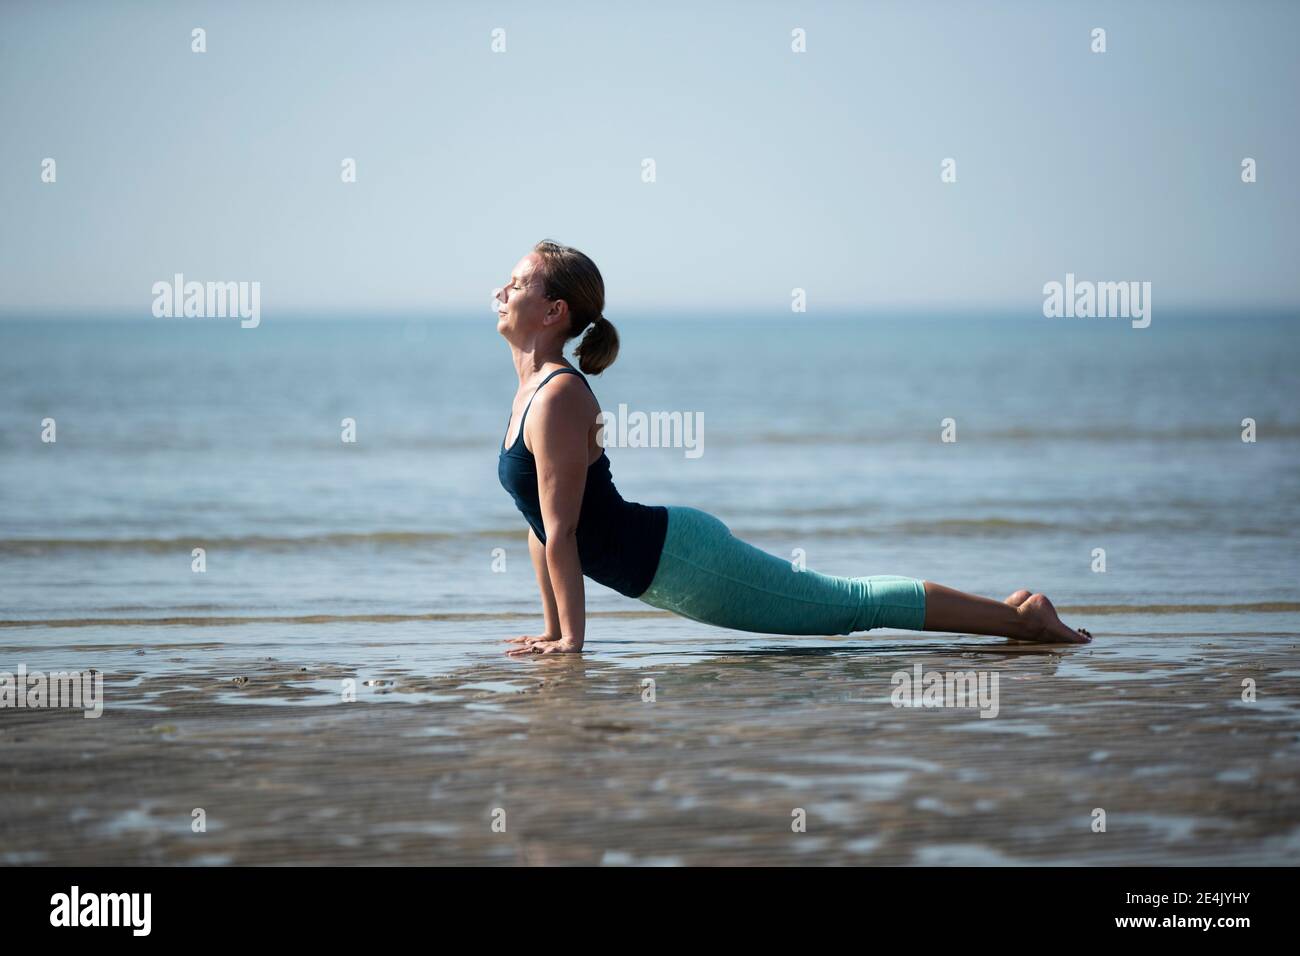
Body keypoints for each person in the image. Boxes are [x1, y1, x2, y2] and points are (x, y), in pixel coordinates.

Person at [496, 240, 1092, 656]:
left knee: (845, 607)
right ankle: (1008, 615)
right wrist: (553, 630)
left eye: (518, 282)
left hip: (683, 561)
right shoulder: (532, 393)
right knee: (842, 605)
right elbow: (541, 526)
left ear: (554, 311)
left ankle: (1021, 621)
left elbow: (564, 531)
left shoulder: (557, 397)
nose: (502, 289)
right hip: (665, 563)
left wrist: (572, 642)